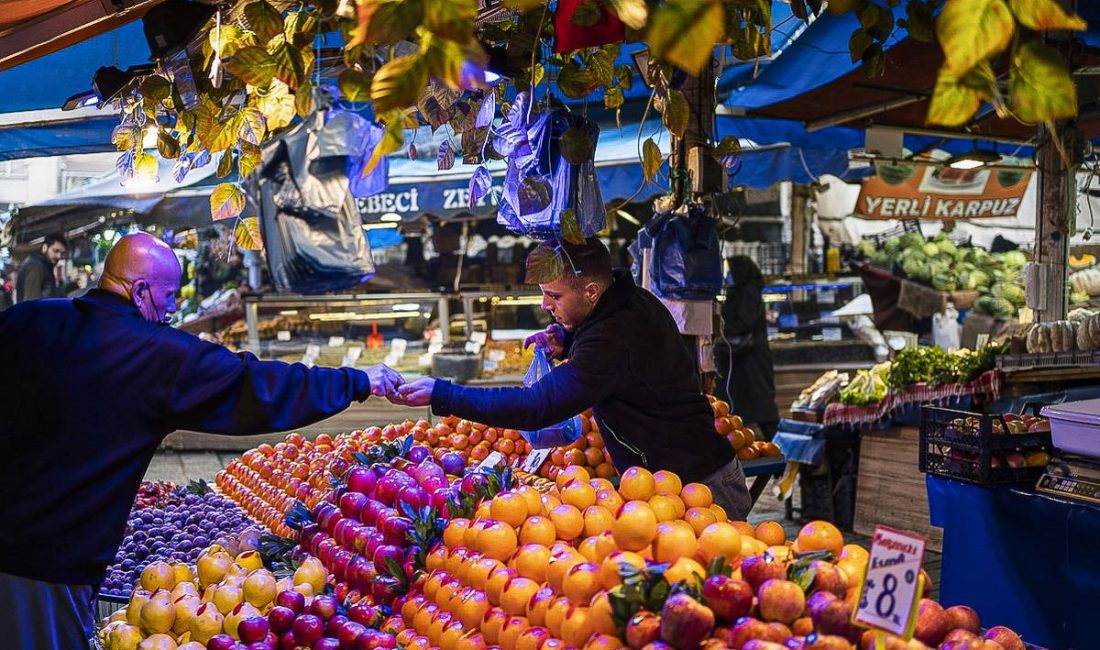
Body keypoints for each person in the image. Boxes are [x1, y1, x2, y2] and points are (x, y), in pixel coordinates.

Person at [0, 232, 406, 648]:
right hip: (45, 565)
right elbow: (256, 385)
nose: (175, 309)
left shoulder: (27, 319)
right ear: (140, 291)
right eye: (170, 295)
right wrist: (357, 380)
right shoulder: (158, 355)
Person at [397, 237, 751, 517]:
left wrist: (442, 394)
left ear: (592, 291)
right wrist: (566, 339)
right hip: (672, 482)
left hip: (700, 486)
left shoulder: (612, 335)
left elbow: (537, 406)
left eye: (554, 296)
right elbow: (618, 353)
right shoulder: (629, 302)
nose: (544, 306)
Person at [715, 256, 779, 440]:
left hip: (751, 360)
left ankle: (778, 449)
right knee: (756, 406)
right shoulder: (744, 290)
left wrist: (721, 329)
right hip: (745, 359)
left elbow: (744, 323)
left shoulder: (748, 291)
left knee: (761, 407)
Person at [15, 232, 66, 302]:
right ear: (45, 248)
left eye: (62, 253)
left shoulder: (44, 266)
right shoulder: (36, 266)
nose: (59, 256)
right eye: (55, 251)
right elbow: (32, 304)